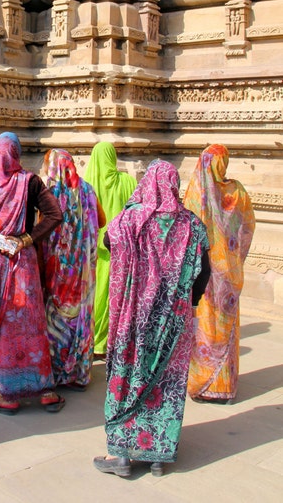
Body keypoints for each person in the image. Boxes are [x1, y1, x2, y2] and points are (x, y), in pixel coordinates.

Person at [94, 160, 210, 478]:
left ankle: (122, 457)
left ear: (147, 183)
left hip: (132, 322)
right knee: (167, 384)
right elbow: (205, 272)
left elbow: (106, 242)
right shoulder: (193, 225)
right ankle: (159, 456)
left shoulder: (130, 220)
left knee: (129, 378)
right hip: (174, 323)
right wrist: (189, 301)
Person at [0, 132, 65, 414]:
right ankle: (45, 390)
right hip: (22, 263)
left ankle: (8, 395)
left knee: (2, 324)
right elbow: (55, 215)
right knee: (30, 322)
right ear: (16, 154)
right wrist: (27, 239)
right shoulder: (28, 182)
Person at [185, 145, 256, 403]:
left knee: (204, 325)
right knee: (226, 327)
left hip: (203, 273)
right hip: (228, 274)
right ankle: (225, 385)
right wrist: (234, 259)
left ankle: (202, 384)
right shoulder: (238, 191)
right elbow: (247, 229)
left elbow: (188, 235)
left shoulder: (197, 192)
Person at [41, 148, 101, 390]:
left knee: (54, 315)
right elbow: (102, 219)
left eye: (46, 165)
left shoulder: (49, 191)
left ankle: (56, 372)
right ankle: (78, 371)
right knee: (81, 313)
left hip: (56, 269)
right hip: (83, 269)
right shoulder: (87, 190)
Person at [83, 142, 136, 357]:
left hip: (92, 252)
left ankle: (91, 341)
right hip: (121, 250)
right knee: (117, 295)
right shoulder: (128, 182)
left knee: (94, 295)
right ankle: (112, 342)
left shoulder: (86, 185)